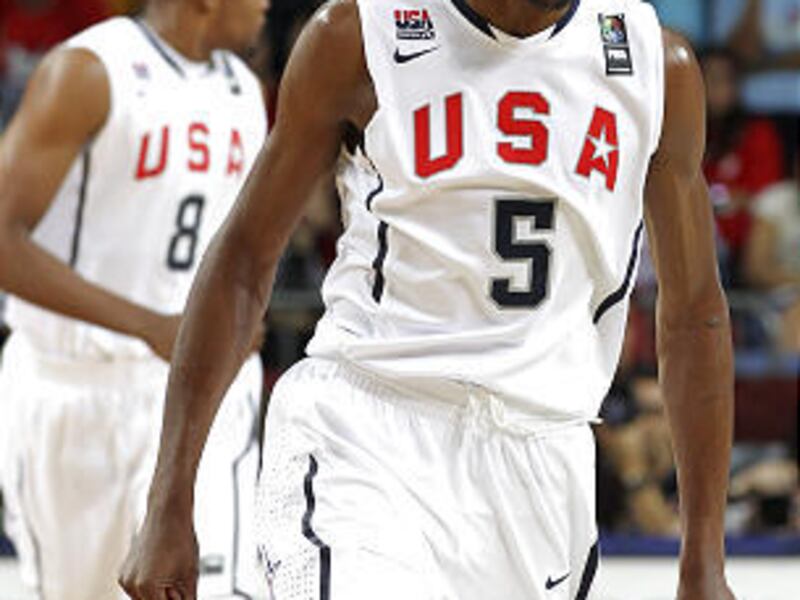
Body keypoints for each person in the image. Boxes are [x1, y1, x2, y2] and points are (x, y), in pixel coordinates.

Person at [121, 0, 737, 599]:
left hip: (543, 459)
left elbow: (693, 315)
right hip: (366, 433)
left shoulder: (655, 63)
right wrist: (169, 498)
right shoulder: (359, 34)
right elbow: (243, 261)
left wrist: (703, 559)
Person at [0, 0, 269, 598]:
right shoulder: (90, 72)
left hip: (199, 392)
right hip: (74, 389)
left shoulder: (247, 93)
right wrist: (149, 324)